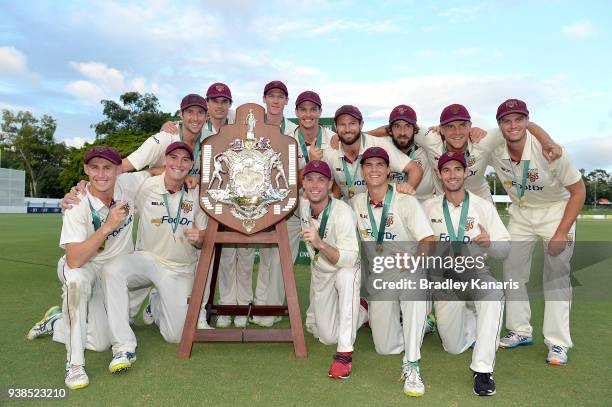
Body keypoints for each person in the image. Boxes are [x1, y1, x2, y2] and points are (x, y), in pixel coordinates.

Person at [27, 146, 149, 389]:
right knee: (78, 281)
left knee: (101, 342)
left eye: (107, 168)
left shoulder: (128, 184)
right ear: (85, 170)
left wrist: (187, 177)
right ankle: (74, 365)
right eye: (94, 168)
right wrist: (107, 226)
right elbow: (74, 259)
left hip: (111, 273)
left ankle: (57, 321)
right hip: (82, 266)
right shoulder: (77, 203)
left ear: (118, 170)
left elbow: (160, 170)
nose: (101, 174)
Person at [489, 99, 585, 365]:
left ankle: (557, 343)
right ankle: (520, 330)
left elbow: (579, 192)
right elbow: (470, 140)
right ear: (500, 126)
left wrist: (561, 233)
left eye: (519, 119)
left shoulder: (551, 150)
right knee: (512, 271)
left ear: (528, 120)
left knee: (556, 275)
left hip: (556, 211)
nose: (513, 125)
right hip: (521, 212)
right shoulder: (495, 147)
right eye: (507, 121)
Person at [102, 142, 208, 373]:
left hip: (178, 268)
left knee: (176, 336)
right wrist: (80, 188)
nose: (178, 164)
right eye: (173, 157)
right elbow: (108, 185)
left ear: (190, 166)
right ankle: (123, 345)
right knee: (112, 269)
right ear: (165, 161)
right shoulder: (146, 186)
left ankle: (156, 304)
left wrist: (199, 237)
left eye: (185, 160)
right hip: (147, 260)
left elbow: (203, 240)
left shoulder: (197, 194)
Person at [421, 152, 510, 396]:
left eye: (457, 169)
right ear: (439, 175)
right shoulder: (428, 207)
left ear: (466, 173)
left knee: (493, 295)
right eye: (446, 170)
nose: (452, 174)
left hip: (475, 272)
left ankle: (482, 371)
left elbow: (504, 249)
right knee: (452, 347)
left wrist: (489, 243)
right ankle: (473, 323)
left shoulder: (483, 207)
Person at [351, 147, 434, 397]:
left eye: (380, 165)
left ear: (389, 170)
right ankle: (420, 326)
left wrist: (414, 262)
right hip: (381, 276)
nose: (374, 169)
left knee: (412, 292)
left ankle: (412, 364)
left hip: (409, 268)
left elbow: (428, 239)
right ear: (362, 171)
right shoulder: (356, 203)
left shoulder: (404, 199)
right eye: (369, 165)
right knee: (384, 347)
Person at [416, 103, 561, 202]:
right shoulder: (431, 139)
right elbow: (400, 125)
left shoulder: (482, 140)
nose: (457, 132)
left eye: (462, 125)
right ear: (441, 128)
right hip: (445, 205)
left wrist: (548, 143)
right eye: (450, 127)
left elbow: (524, 125)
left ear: (470, 126)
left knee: (494, 247)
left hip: (481, 203)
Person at [300, 160, 363, 379]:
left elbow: (349, 258)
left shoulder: (343, 212)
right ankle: (362, 311)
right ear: (303, 184)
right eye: (309, 179)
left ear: (329, 185)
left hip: (345, 268)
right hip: (321, 272)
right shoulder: (303, 205)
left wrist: (320, 244)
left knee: (347, 277)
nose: (315, 185)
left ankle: (344, 354)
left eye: (321, 180)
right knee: (326, 336)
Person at [251, 81, 302, 327]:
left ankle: (269, 310)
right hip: (255, 202)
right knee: (266, 255)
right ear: (264, 98)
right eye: (271, 96)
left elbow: (300, 169)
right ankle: (259, 304)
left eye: (280, 97)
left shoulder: (293, 131)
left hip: (286, 202)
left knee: (280, 257)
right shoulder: (251, 124)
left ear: (285, 101)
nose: (275, 100)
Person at [322, 105, 423, 202]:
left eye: (352, 123)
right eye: (342, 124)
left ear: (361, 124)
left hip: (379, 211)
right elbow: (329, 183)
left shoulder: (379, 144)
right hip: (348, 211)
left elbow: (415, 169)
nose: (347, 129)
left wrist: (405, 192)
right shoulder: (329, 152)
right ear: (335, 126)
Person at [385, 105, 436, 202]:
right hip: (394, 210)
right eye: (397, 126)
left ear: (415, 129)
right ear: (390, 131)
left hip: (426, 209)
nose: (402, 132)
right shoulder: (384, 149)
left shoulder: (427, 149)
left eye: (408, 126)